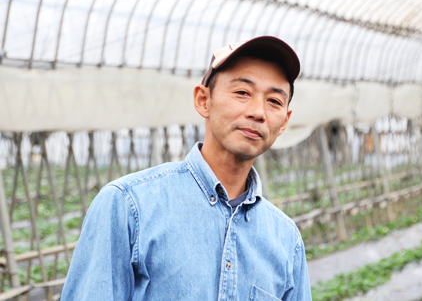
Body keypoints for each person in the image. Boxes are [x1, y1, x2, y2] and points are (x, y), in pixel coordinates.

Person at [61, 36, 312, 300]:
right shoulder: (128, 205)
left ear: (284, 121)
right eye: (242, 93)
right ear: (204, 100)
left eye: (274, 101)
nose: (258, 112)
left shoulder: (286, 239)